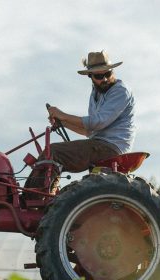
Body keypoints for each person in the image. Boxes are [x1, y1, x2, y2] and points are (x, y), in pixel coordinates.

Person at [25, 50, 136, 196]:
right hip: (99, 144)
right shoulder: (96, 94)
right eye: (98, 76)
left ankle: (33, 199)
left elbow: (97, 122)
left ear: (112, 71)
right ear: (90, 76)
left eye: (107, 74)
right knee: (50, 153)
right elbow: (89, 131)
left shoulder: (120, 91)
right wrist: (63, 123)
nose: (104, 79)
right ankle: (40, 195)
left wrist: (62, 115)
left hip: (110, 148)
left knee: (52, 152)